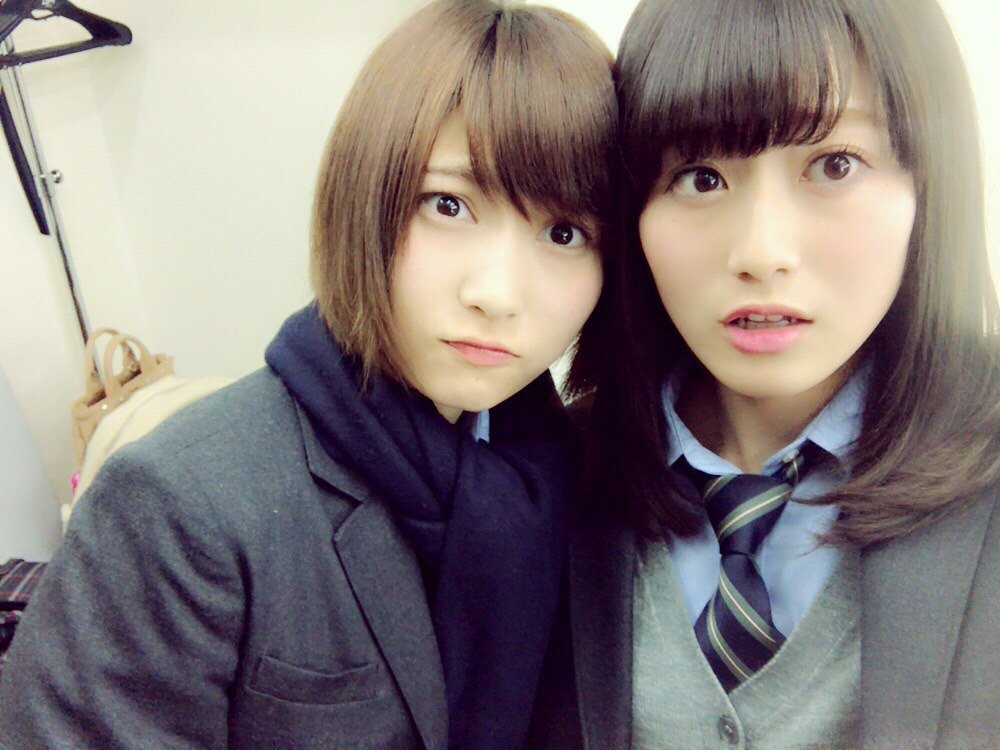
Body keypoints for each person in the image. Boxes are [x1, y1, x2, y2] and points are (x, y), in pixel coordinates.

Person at [0, 1, 617, 747]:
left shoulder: (570, 475)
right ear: (363, 195)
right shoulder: (177, 506)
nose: (498, 293)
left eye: (564, 232)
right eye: (448, 204)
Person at [531, 0, 999, 748]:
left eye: (834, 165)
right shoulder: (547, 474)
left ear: (929, 185)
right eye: (701, 177)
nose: (761, 252)